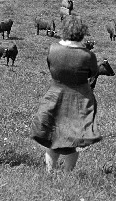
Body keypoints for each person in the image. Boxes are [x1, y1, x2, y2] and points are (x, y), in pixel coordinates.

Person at [30, 15, 101, 172]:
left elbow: (50, 67)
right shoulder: (88, 55)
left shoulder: (53, 49)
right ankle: (68, 174)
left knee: (52, 135)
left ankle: (50, 172)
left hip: (55, 95)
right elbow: (93, 73)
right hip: (79, 100)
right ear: (82, 33)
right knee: (73, 139)